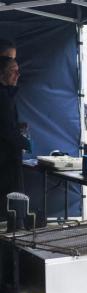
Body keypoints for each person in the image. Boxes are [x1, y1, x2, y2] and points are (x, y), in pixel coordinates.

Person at [0, 56, 29, 221]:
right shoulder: (3, 96)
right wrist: (24, 142)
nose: (18, 75)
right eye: (13, 71)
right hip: (4, 161)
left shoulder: (7, 95)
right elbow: (5, 130)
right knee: (7, 203)